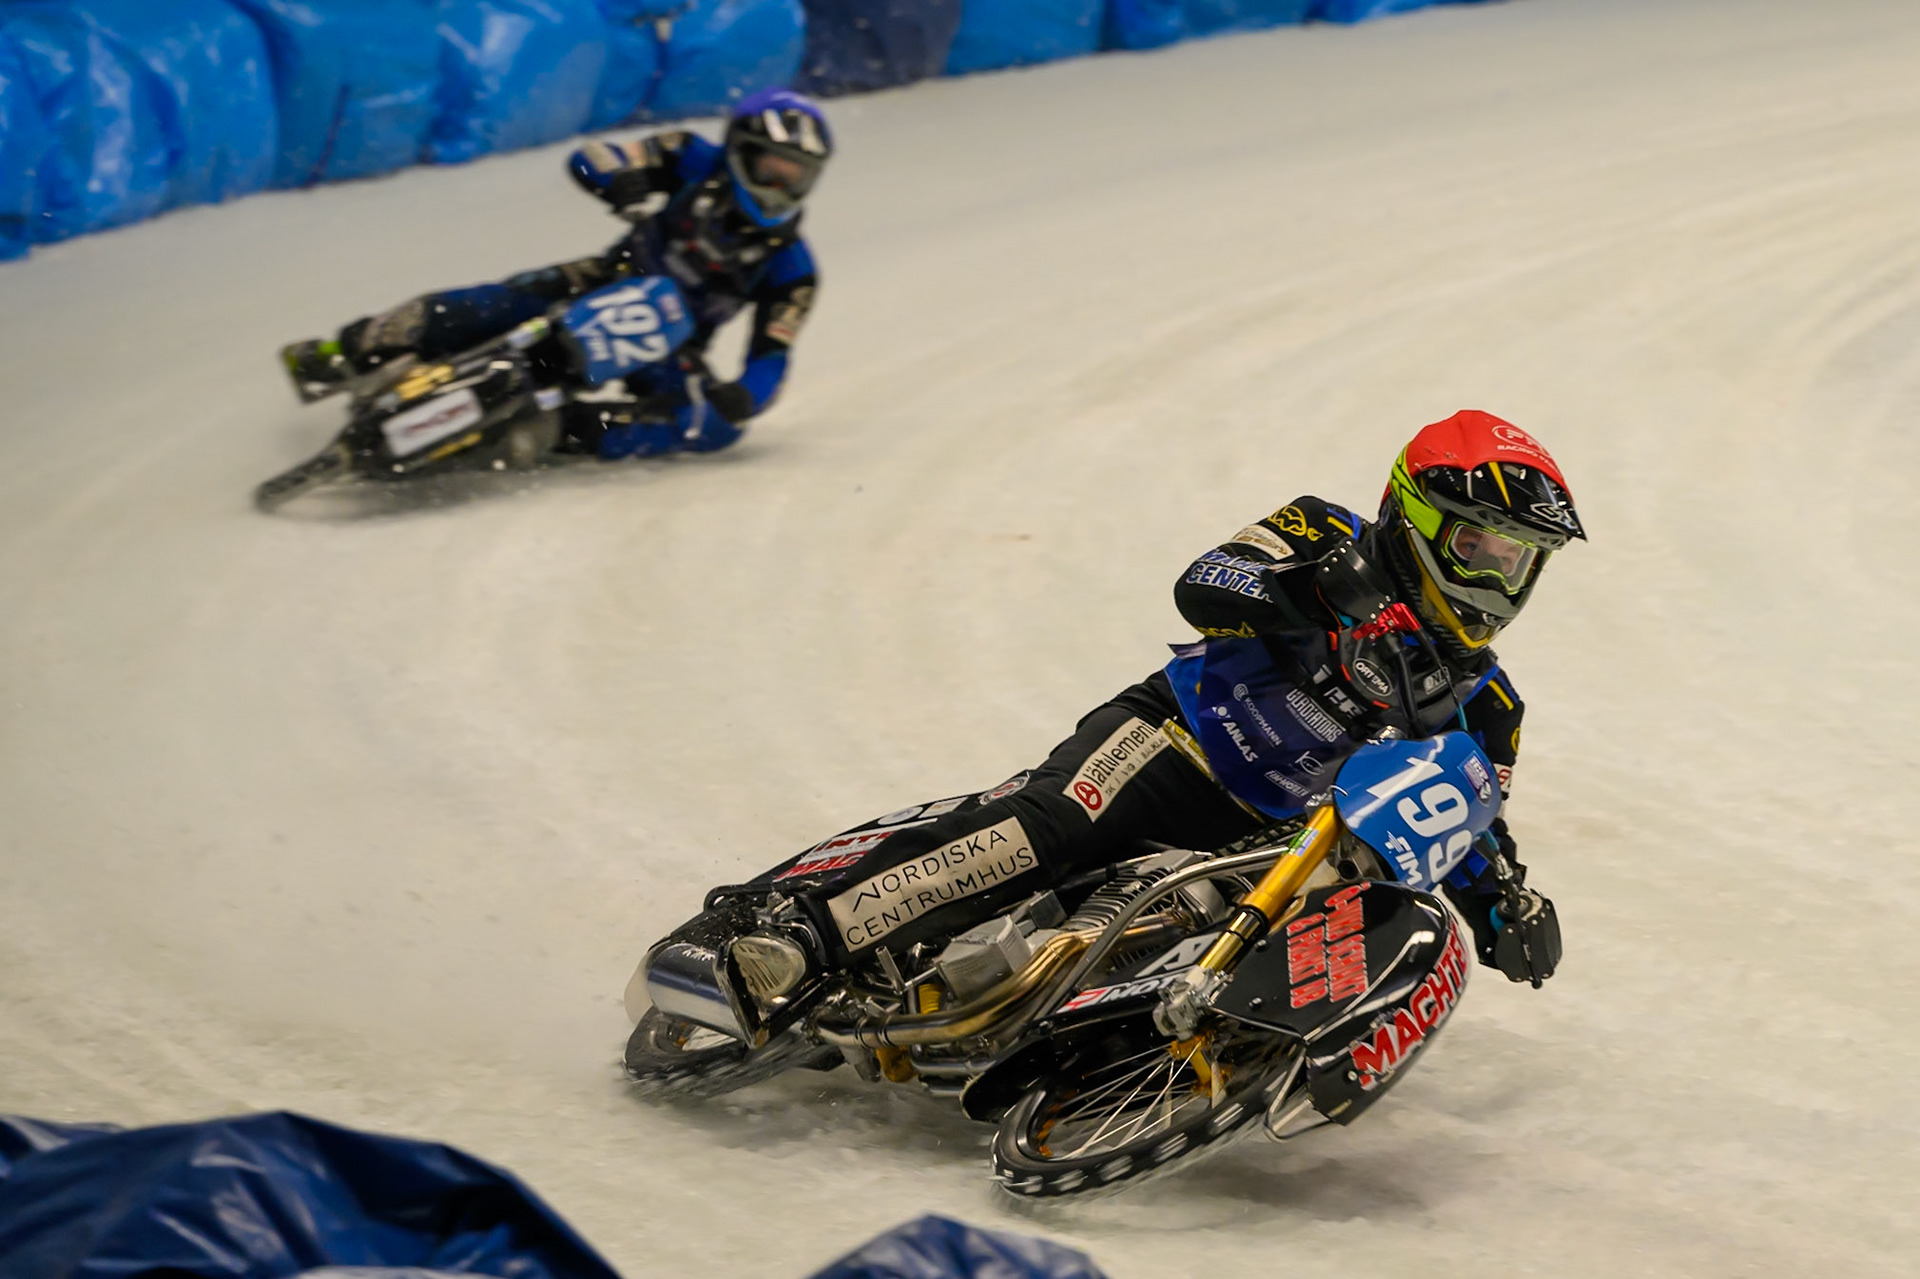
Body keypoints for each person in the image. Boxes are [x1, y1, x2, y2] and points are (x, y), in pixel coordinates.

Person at [720, 409, 1582, 1028]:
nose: (1495, 580)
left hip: (1272, 846)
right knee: (1047, 828)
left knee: (1323, 921)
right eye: (1478, 547)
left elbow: (1461, 809)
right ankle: (804, 938)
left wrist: (1504, 901)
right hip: (1177, 740)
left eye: (1517, 561)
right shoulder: (1326, 530)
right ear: (1417, 516)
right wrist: (1317, 590)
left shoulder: (1489, 701)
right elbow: (1206, 582)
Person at [278, 89, 832, 461]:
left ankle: (563, 431)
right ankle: (351, 349)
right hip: (608, 277)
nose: (779, 189)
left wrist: (744, 398)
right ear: (737, 152)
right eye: (770, 169)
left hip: (671, 341)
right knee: (490, 303)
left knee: (714, 430)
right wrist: (620, 179)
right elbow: (596, 156)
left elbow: (772, 357)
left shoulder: (795, 270)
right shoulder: (690, 155)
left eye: (796, 177)